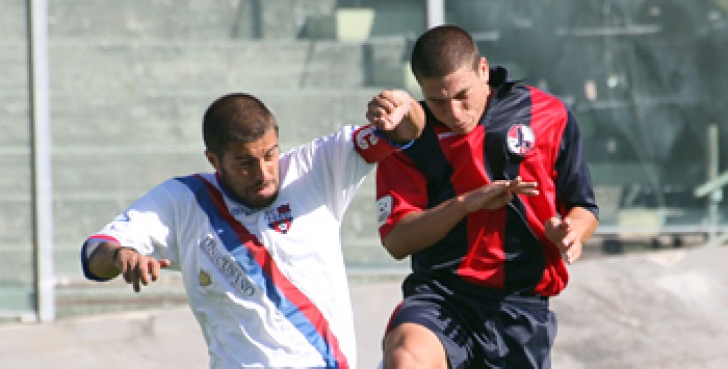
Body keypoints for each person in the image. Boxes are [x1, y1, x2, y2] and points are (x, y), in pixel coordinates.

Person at [80, 91, 425, 369]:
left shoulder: (317, 168)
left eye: (270, 155)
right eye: (245, 163)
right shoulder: (184, 201)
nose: (263, 173)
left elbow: (407, 131)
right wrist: (122, 256)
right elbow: (97, 252)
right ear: (214, 160)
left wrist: (404, 108)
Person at [375, 24, 600, 368]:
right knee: (406, 358)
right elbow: (397, 240)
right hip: (441, 296)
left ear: (483, 70)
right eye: (437, 100)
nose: (453, 112)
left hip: (521, 308)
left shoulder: (549, 115)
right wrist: (466, 203)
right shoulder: (409, 137)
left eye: (462, 95)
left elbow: (584, 207)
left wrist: (571, 232)